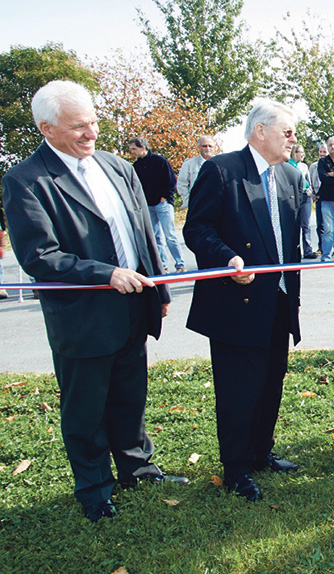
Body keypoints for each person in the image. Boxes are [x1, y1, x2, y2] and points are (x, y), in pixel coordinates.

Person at [1, 80, 186, 522]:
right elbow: (39, 257)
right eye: (79, 126)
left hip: (133, 307)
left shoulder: (119, 167)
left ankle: (137, 468)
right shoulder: (25, 181)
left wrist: (157, 289)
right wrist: (106, 274)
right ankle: (95, 488)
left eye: (95, 122)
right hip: (82, 318)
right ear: (47, 129)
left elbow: (144, 233)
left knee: (129, 395)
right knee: (85, 409)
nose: (92, 133)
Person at [184, 100, 304, 502]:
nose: (293, 138)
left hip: (280, 300)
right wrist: (227, 258)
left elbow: (290, 242)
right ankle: (236, 468)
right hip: (238, 304)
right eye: (286, 131)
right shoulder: (221, 170)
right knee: (238, 389)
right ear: (260, 132)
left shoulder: (289, 175)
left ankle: (259, 453)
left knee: (271, 382)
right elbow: (197, 230)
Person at [128, 137, 186, 272]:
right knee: (155, 237)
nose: (132, 152)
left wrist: (165, 197)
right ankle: (163, 265)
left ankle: (180, 264)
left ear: (143, 147)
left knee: (169, 234)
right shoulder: (136, 166)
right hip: (148, 206)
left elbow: (171, 181)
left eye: (134, 149)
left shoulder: (160, 161)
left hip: (163, 204)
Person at [289, 144, 317, 259]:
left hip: (305, 197)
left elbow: (308, 181)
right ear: (294, 152)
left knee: (306, 225)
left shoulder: (304, 166)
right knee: (293, 225)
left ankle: (308, 250)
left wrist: (310, 191)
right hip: (293, 197)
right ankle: (293, 250)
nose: (303, 154)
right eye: (301, 152)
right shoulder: (288, 165)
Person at [177, 135, 216, 209]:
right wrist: (188, 201)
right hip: (197, 205)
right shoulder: (189, 164)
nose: (207, 148)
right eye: (204, 146)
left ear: (214, 148)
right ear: (199, 147)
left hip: (216, 205)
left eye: (210, 146)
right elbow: (182, 184)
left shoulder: (221, 163)